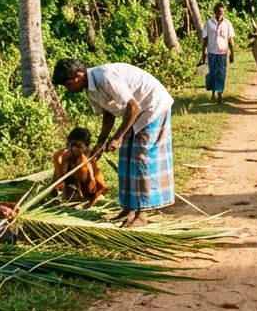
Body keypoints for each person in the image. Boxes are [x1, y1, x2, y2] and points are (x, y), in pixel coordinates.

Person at [54, 58, 175, 227]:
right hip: (135, 113)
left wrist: (118, 137)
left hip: (152, 106)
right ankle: (127, 209)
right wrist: (100, 144)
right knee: (126, 159)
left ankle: (141, 215)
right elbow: (109, 114)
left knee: (140, 158)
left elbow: (134, 106)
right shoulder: (90, 89)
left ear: (78, 76)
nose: (68, 89)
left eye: (68, 84)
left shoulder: (105, 76)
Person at [52, 127, 109, 207]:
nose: (74, 148)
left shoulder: (88, 160)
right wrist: (52, 198)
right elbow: (56, 182)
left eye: (78, 146)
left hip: (90, 198)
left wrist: (89, 203)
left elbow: (103, 187)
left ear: (86, 148)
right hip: (70, 198)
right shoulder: (61, 157)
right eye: (72, 145)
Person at [196, 3, 235, 102]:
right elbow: (205, 39)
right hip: (212, 52)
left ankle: (219, 94)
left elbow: (230, 39)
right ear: (215, 12)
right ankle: (213, 92)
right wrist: (203, 54)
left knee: (221, 74)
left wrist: (232, 53)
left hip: (222, 53)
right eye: (218, 12)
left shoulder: (227, 23)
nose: (220, 14)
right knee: (212, 73)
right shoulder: (209, 23)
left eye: (222, 12)